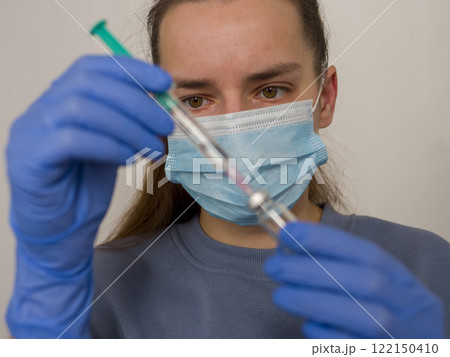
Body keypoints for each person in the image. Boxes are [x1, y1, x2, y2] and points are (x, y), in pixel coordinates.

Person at [5, 0, 449, 339]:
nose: (235, 132)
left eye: (270, 90)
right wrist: (47, 289)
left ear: (325, 98)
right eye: (196, 100)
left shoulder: (428, 266)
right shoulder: (100, 287)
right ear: (160, 114)